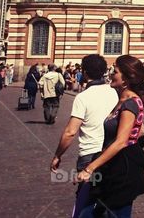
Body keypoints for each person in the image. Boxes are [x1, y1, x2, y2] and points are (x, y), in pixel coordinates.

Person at [74, 55, 144, 217]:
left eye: (114, 71)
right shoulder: (121, 99)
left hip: (123, 169)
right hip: (112, 165)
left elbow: (121, 142)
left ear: (126, 79)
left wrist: (89, 168)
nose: (110, 74)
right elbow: (141, 130)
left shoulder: (130, 103)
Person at [51, 55, 119, 218]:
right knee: (108, 201)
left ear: (85, 73)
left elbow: (70, 132)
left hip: (90, 156)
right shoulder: (116, 93)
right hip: (112, 155)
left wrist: (57, 155)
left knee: (86, 202)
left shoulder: (83, 97)